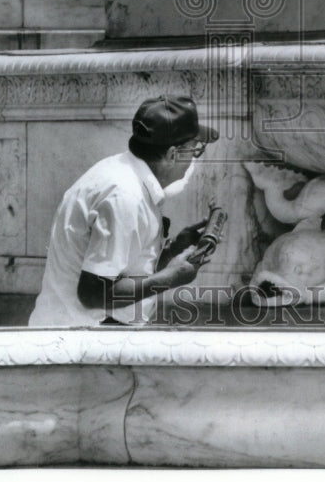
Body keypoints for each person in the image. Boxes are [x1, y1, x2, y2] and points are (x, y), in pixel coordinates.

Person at [28, 95, 218, 327]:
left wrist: (171, 251)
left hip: (87, 328)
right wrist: (170, 279)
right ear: (171, 155)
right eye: (194, 150)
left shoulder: (124, 172)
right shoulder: (126, 196)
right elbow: (92, 294)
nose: (192, 161)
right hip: (82, 339)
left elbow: (123, 270)